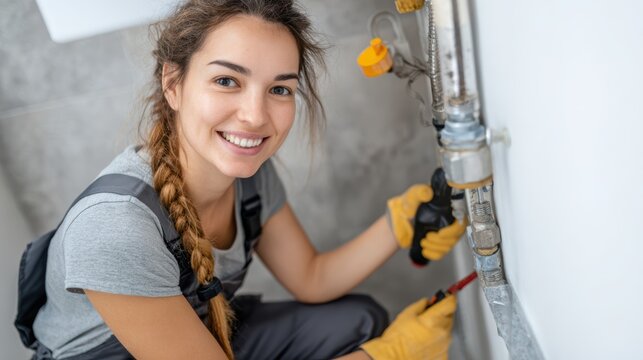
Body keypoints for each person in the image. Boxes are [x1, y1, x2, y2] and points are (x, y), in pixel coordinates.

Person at [30, 0, 466, 359]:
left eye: (280, 89)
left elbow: (311, 278)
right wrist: (384, 357)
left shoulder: (250, 176)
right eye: (226, 80)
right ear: (173, 83)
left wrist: (399, 222)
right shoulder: (115, 228)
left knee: (359, 320)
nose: (255, 117)